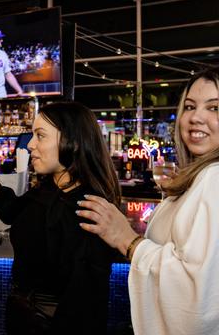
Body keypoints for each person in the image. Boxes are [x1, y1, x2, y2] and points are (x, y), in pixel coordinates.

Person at [77, 66, 219, 335]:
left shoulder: (215, 177)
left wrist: (127, 240)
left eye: (214, 108)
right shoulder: (204, 177)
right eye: (189, 106)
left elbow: (196, 298)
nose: (196, 117)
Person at [0, 101, 121, 334]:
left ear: (72, 142)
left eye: (40, 136)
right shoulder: (49, 188)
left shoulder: (88, 207)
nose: (30, 144)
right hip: (24, 314)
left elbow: (84, 302)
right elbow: (20, 214)